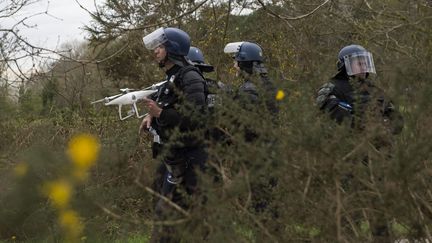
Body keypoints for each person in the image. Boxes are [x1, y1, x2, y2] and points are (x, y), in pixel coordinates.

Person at [316, 44, 404, 241]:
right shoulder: (333, 88)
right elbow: (336, 118)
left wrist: (385, 127)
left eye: (364, 62)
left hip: (379, 158)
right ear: (344, 66)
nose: (362, 67)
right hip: (348, 158)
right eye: (357, 62)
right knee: (349, 208)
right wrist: (367, 126)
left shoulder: (377, 91)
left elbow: (398, 121)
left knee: (380, 208)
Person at [139, 27, 208, 243]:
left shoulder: (190, 76)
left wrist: (161, 113)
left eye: (159, 47)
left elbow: (196, 118)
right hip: (175, 159)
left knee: (184, 219)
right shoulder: (172, 76)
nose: (155, 51)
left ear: (171, 49)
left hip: (191, 159)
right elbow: (169, 106)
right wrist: (152, 116)